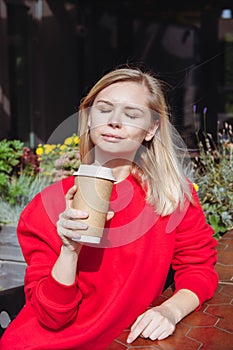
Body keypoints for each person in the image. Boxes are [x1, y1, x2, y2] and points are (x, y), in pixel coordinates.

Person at [0, 67, 218, 350]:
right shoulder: (46, 207)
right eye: (104, 110)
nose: (115, 121)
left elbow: (199, 266)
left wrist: (171, 310)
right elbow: (52, 317)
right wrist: (69, 249)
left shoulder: (172, 196)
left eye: (131, 114)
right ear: (89, 119)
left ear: (151, 129)